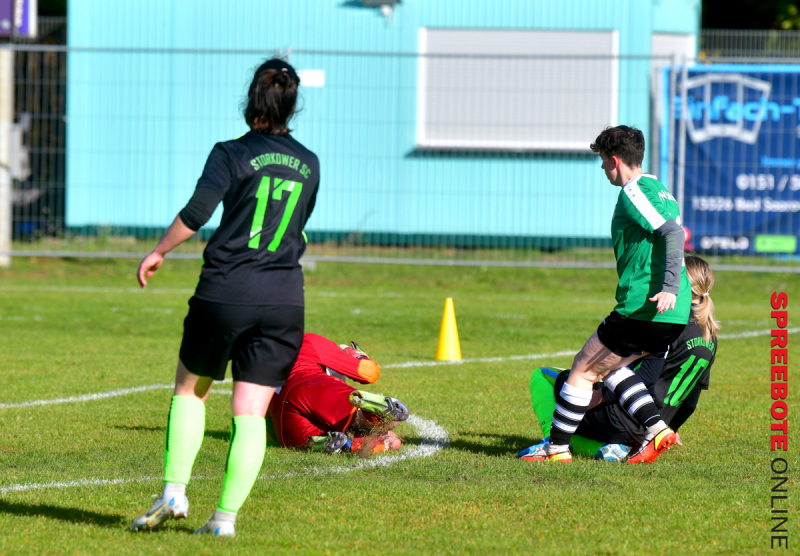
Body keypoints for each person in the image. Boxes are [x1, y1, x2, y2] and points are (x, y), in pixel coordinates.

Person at [132, 58, 319, 537]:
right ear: (291, 106)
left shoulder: (229, 153)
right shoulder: (310, 163)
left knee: (189, 390)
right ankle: (224, 521)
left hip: (226, 292)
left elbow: (197, 212)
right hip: (284, 300)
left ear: (251, 101)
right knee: (250, 412)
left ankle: (174, 492)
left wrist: (158, 251)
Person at [523, 125, 691, 464]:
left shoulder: (634, 191)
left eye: (602, 161)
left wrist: (669, 285)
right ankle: (656, 429)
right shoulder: (660, 189)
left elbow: (673, 233)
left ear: (615, 160)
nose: (602, 168)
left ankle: (555, 448)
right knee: (612, 369)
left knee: (583, 369)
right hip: (672, 313)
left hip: (645, 306)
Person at [520, 255, 719, 463]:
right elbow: (690, 403)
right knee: (582, 381)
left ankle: (554, 444)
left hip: (622, 419)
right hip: (649, 428)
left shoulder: (671, 324)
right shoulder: (710, 335)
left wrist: (602, 396)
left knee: (549, 378)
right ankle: (625, 446)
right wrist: (670, 427)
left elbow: (647, 376)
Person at [266, 333, 408, 454]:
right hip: (310, 387)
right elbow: (369, 373)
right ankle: (373, 411)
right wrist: (358, 355)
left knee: (393, 440)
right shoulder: (307, 340)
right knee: (392, 422)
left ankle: (341, 444)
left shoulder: (256, 356)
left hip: (284, 426)